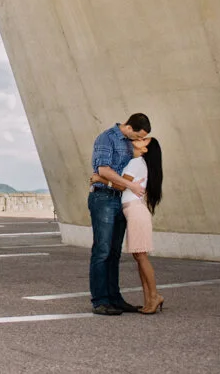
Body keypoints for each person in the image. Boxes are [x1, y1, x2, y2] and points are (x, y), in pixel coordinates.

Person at [92, 137, 164, 314]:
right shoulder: (141, 163)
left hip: (135, 212)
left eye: (144, 140)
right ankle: (149, 299)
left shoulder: (136, 162)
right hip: (135, 211)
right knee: (139, 257)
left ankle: (154, 296)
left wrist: (99, 179)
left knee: (141, 256)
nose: (138, 140)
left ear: (146, 149)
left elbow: (121, 185)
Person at [88, 113, 150, 316]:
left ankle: (115, 297)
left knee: (115, 252)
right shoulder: (107, 138)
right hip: (104, 199)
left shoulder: (128, 144)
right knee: (103, 250)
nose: (138, 141)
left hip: (119, 198)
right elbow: (103, 169)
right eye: (137, 136)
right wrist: (130, 184)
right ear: (130, 127)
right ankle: (100, 300)